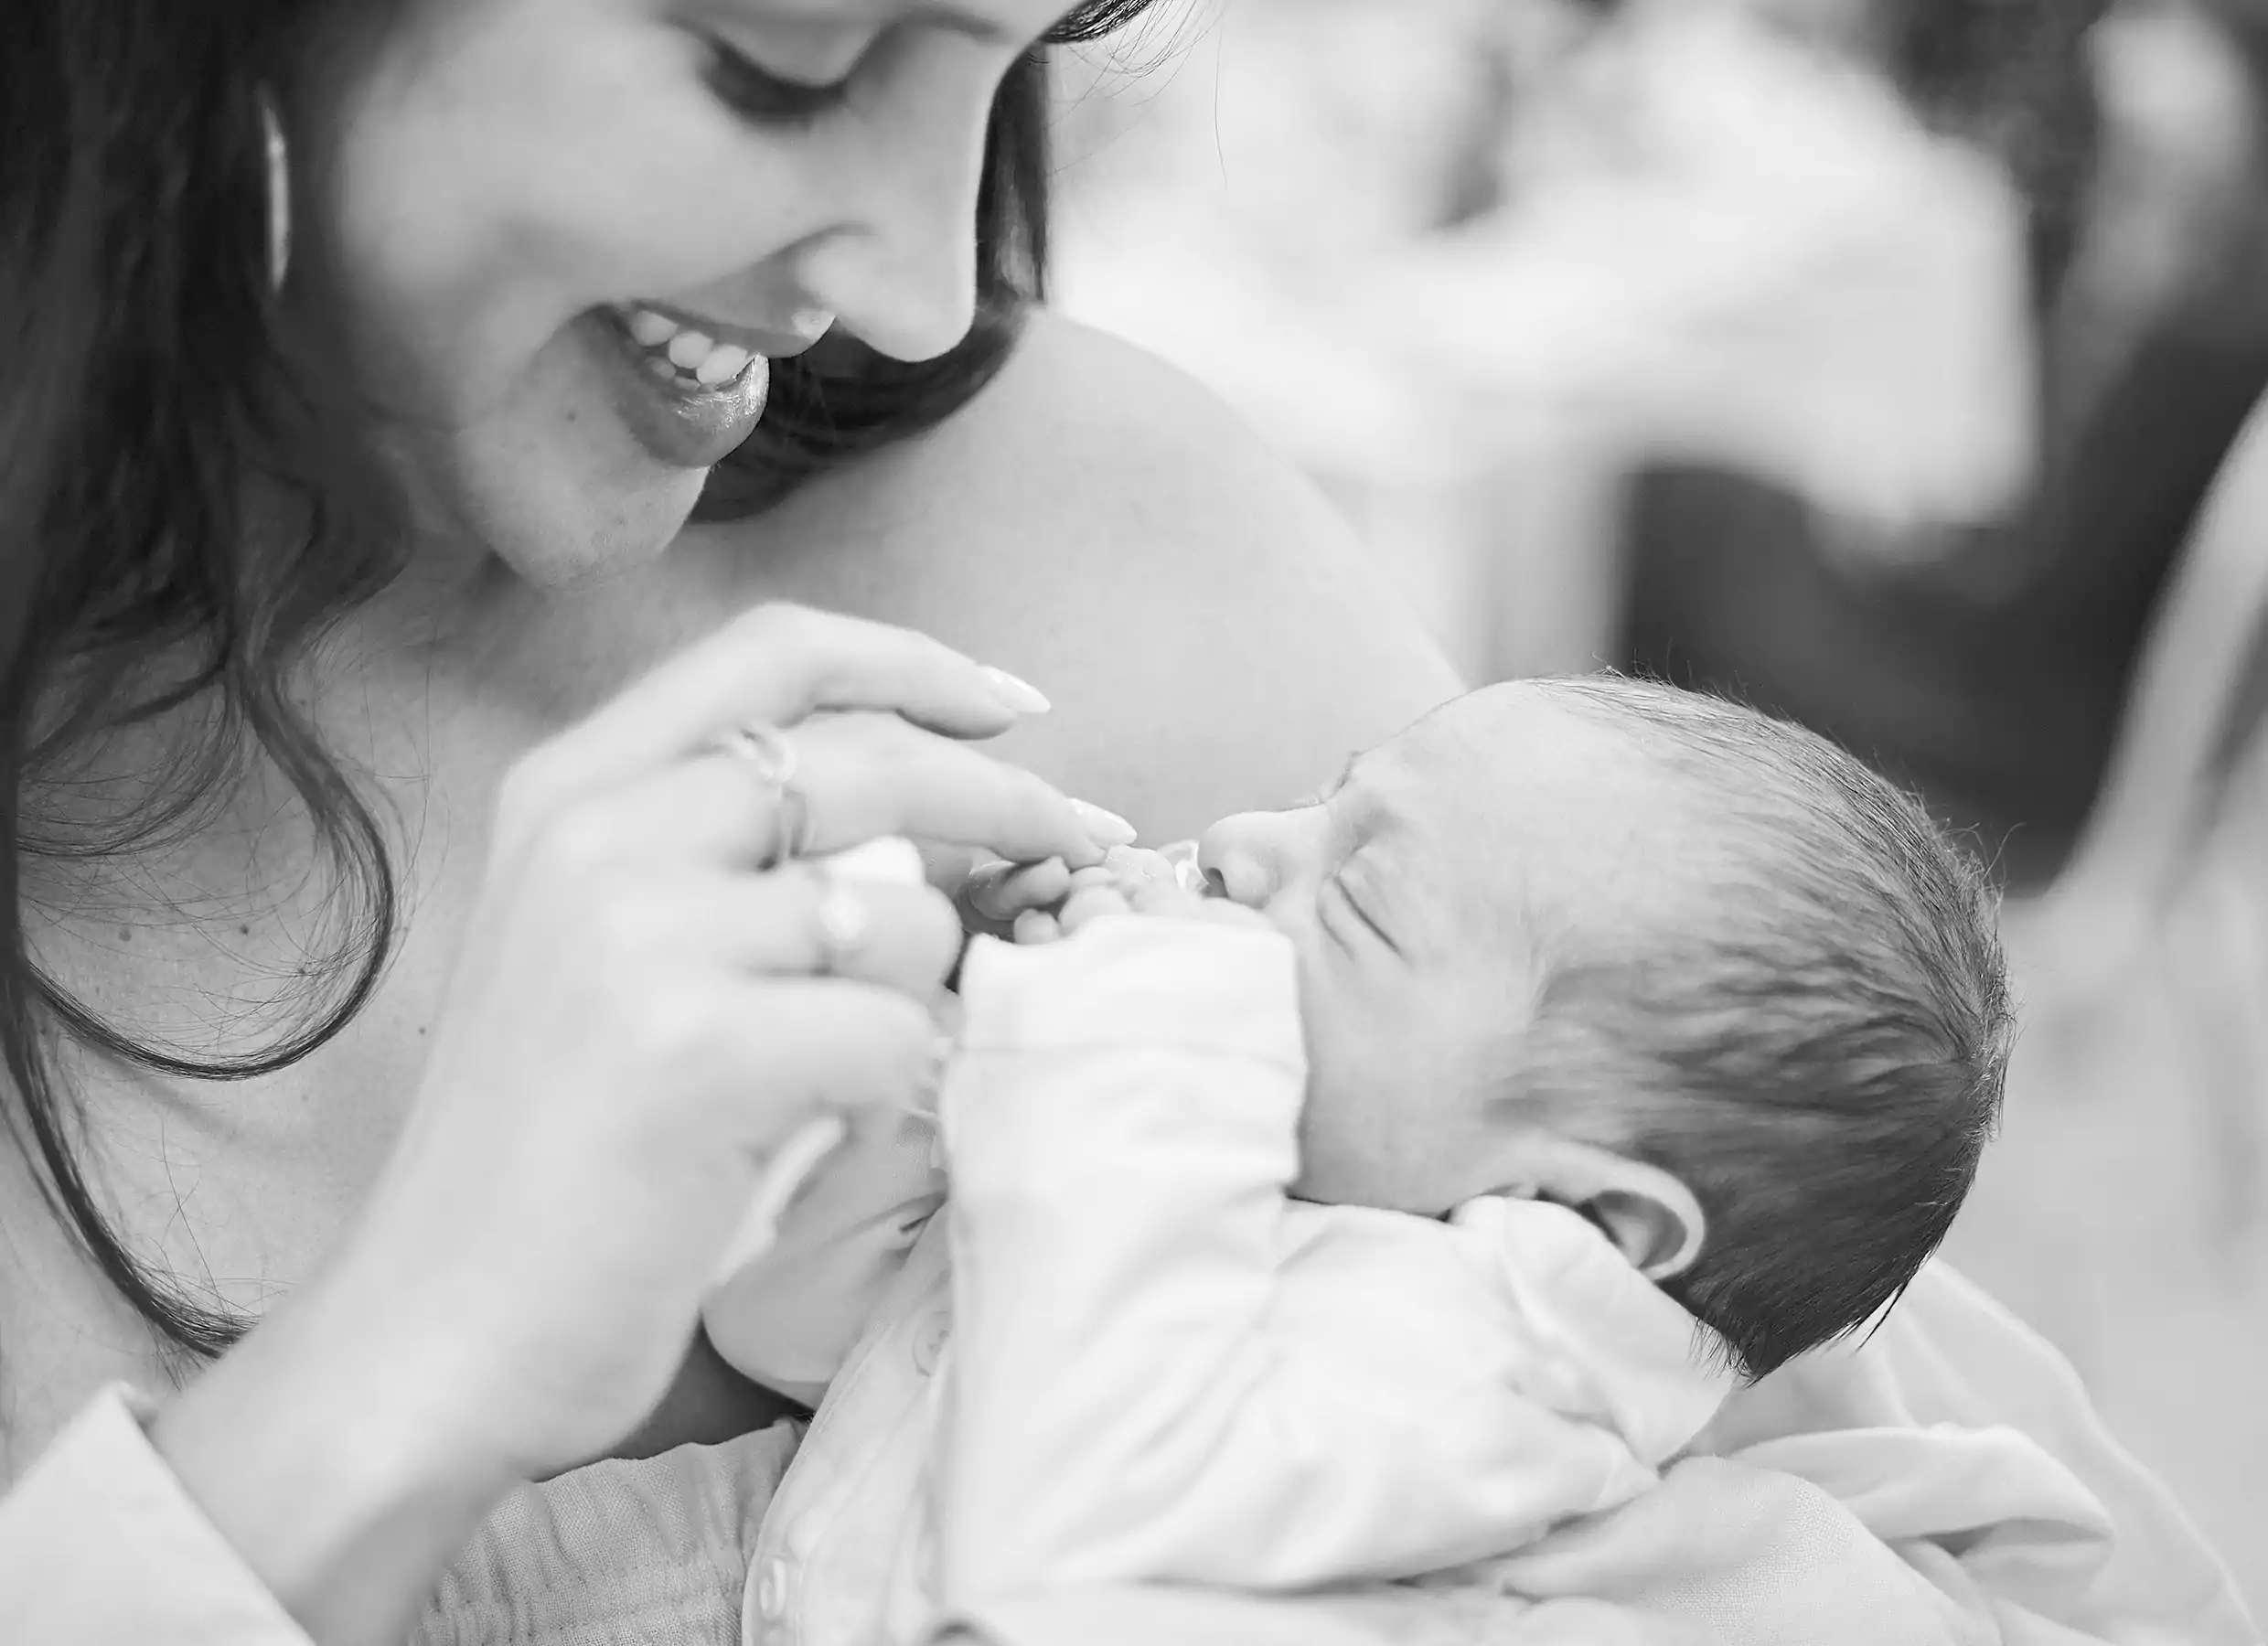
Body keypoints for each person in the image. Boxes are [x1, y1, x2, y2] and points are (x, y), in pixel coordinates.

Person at [0, 3, 2249, 1644]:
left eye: (1012, 59)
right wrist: (400, 1384)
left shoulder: (1089, 530)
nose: (920, 288)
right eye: (779, 64)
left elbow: (2029, 1554)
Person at [692, 676, 2089, 1645]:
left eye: (1358, 901)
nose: (1243, 842)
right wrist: (958, 1046)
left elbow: (1071, 1536)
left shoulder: (1477, 1373)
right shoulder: (1231, 1178)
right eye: (1325, 800)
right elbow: (794, 1331)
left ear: (1582, 1216)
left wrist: (1134, 1029)